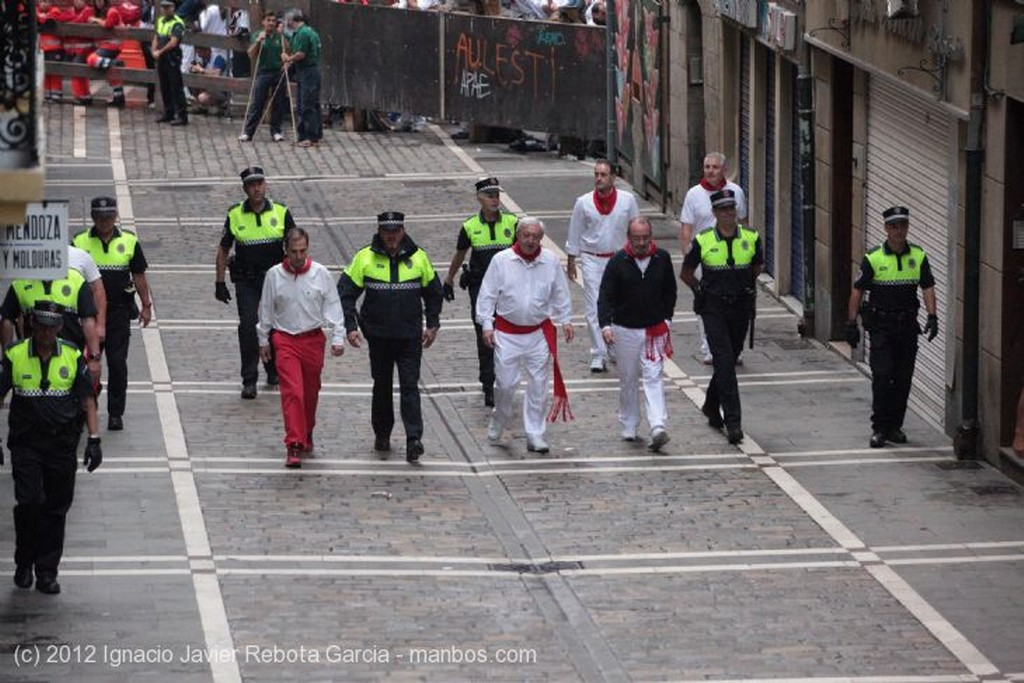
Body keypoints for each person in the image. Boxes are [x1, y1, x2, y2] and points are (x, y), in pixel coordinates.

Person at [1, 301, 103, 595]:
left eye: (52, 326)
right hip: (26, 444)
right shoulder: (15, 355)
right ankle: (24, 562)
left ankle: (47, 570)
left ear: (59, 327)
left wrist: (93, 439)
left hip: (61, 444)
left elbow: (87, 400)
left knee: (56, 508)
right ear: (33, 324)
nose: (46, 331)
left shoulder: (72, 356)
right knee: (29, 502)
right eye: (41, 325)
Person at [338, 212, 443, 463]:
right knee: (382, 386)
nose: (392, 237)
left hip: (409, 336)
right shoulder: (365, 257)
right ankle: (382, 433)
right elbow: (345, 293)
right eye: (387, 233)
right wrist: (351, 326)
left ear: (403, 231)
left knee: (409, 386)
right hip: (378, 336)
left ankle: (413, 439)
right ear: (380, 232)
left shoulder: (418, 258)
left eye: (396, 232)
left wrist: (433, 323)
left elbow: (433, 292)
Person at [476, 217, 574, 454]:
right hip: (507, 333)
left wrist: (565, 319)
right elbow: (487, 294)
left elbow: (560, 291)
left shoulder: (550, 261)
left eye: (535, 237)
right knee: (506, 384)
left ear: (541, 239)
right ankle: (500, 417)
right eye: (526, 236)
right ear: (518, 236)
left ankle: (535, 433)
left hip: (538, 333)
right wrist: (487, 325)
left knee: (538, 385)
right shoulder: (501, 261)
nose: (531, 241)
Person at [845, 206, 938, 449]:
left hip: (907, 326)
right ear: (886, 229)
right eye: (894, 226)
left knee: (903, 378)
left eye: (903, 225)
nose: (899, 230)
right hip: (881, 328)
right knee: (883, 376)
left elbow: (928, 286)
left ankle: (895, 426)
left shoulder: (918, 256)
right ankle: (879, 428)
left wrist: (932, 316)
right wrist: (851, 322)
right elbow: (858, 290)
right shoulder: (873, 257)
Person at [256, 229, 345, 468]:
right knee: (293, 392)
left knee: (310, 391)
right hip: (285, 339)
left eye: (303, 251)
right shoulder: (274, 276)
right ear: (286, 251)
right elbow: (266, 308)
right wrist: (263, 339)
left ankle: (306, 430)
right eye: (294, 251)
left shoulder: (321, 274)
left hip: (313, 339)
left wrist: (338, 336)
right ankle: (294, 442)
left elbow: (333, 304)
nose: (298, 256)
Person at [680, 189, 762, 445]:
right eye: (723, 210)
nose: (729, 213)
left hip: (740, 307)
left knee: (731, 354)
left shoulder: (751, 237)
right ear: (714, 213)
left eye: (732, 209)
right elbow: (686, 272)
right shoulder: (703, 240)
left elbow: (757, 266)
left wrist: (744, 286)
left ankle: (711, 405)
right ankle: (734, 422)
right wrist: (699, 290)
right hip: (713, 309)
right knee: (724, 362)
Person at [215, 166, 296, 399]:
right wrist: (219, 282)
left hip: (277, 281)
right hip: (248, 281)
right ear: (245, 189)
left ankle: (273, 369)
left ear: (265, 185)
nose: (256, 188)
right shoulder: (235, 214)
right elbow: (223, 249)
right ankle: (249, 379)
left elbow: (295, 245)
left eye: (259, 183)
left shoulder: (281, 211)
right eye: (251, 184)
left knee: (276, 327)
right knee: (249, 327)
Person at [72, 196, 152, 431]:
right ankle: (88, 406)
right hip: (87, 314)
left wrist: (146, 304)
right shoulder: (79, 241)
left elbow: (138, 275)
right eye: (99, 217)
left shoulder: (128, 241)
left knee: (117, 364)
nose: (104, 221)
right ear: (93, 217)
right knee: (86, 363)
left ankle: (116, 412)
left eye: (108, 217)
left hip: (118, 313)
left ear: (115, 217)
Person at [598, 216, 677, 451]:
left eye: (645, 238)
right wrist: (606, 325)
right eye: (636, 238)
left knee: (653, 376)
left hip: (654, 329)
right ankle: (629, 423)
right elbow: (605, 296)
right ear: (629, 238)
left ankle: (657, 425)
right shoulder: (617, 262)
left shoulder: (662, 258)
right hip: (625, 329)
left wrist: (667, 319)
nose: (641, 243)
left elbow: (669, 291)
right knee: (629, 378)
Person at [441, 177, 517, 407]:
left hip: (508, 290)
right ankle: (488, 384)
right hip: (481, 289)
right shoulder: (470, 226)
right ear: (479, 198)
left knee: (508, 336)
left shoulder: (513, 223)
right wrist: (449, 279)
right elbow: (460, 254)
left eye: (497, 195)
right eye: (490, 195)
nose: (495, 199)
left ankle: (505, 380)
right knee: (484, 336)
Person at [565, 160, 640, 372]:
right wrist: (572, 258)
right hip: (592, 258)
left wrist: (639, 258)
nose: (599, 178)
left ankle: (614, 344)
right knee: (593, 306)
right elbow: (575, 230)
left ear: (613, 178)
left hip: (620, 258)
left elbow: (636, 229)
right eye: (596, 174)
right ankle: (598, 353)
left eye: (604, 174)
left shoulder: (627, 201)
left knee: (620, 303)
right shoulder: (583, 202)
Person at [679, 152, 748, 365]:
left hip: (732, 258)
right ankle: (709, 348)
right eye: (707, 167)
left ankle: (733, 346)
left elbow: (743, 223)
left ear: (723, 170)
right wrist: (688, 254)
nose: (710, 171)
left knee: (735, 302)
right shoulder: (694, 194)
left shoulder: (736, 191)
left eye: (714, 167)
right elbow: (686, 227)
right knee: (706, 302)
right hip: (704, 258)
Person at [0, 256, 102, 389]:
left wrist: (94, 358)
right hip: (30, 362)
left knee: (79, 405)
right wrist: (7, 357)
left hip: (70, 360)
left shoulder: (76, 280)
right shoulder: (20, 283)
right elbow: (7, 320)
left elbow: (88, 320)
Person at [238, 10, 288, 142]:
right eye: (269, 20)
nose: (271, 23)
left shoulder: (280, 36)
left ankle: (276, 131)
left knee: (278, 103)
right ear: (263, 22)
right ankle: (248, 132)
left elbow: (288, 52)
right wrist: (259, 41)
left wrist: (286, 62)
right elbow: (251, 54)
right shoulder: (257, 35)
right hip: (264, 72)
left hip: (278, 72)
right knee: (258, 103)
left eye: (273, 21)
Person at [283, 11, 321, 148]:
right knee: (305, 104)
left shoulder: (303, 33)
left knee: (306, 105)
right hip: (306, 71)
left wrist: (289, 59)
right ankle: (309, 135)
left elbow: (301, 54)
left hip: (308, 71)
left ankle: (310, 137)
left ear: (292, 20)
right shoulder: (307, 32)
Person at [152, 0, 188, 125]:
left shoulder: (177, 23)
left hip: (172, 57)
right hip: (162, 57)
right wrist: (153, 50)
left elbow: (173, 42)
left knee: (176, 87)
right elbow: (156, 37)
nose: (165, 10)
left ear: (173, 8)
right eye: (164, 7)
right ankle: (169, 113)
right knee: (164, 86)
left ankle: (182, 116)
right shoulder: (160, 21)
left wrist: (159, 52)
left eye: (168, 7)